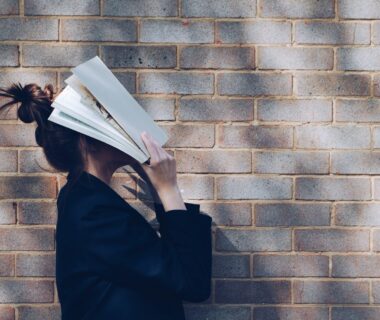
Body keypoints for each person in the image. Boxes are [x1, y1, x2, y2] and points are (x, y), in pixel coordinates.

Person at [0, 82, 213, 320]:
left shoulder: (86, 200)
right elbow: (192, 281)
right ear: (87, 137)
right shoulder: (93, 211)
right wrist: (168, 188)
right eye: (112, 122)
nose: (125, 130)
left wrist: (157, 186)